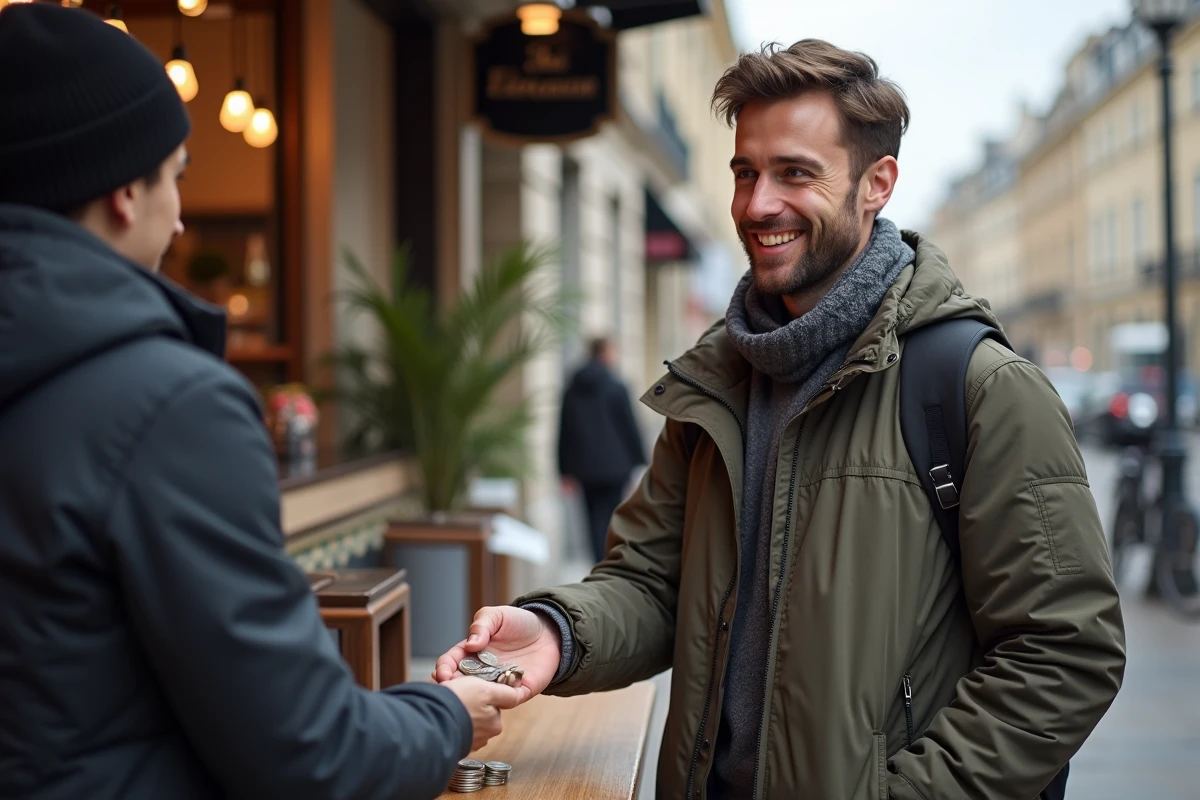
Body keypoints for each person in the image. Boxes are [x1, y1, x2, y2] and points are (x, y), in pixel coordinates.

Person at [436, 39, 1127, 799]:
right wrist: (559, 634)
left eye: (796, 173)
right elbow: (654, 582)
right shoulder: (716, 379)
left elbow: (1064, 650)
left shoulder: (978, 386)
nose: (758, 203)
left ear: (877, 184)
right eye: (745, 172)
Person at [0, 5, 517, 800]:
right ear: (124, 192)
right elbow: (310, 756)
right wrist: (446, 712)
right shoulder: (169, 407)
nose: (180, 217)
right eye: (176, 174)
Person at [557, 337, 648, 562]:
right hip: (615, 467)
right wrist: (640, 462)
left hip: (584, 468)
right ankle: (608, 564)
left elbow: (564, 431)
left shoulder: (572, 388)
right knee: (612, 518)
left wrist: (563, 470)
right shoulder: (616, 386)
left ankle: (597, 563)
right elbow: (630, 427)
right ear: (604, 353)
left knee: (591, 520)